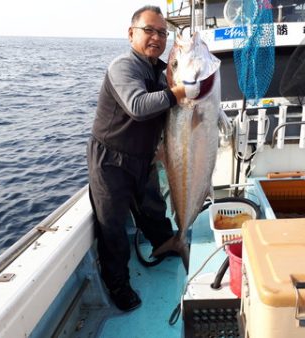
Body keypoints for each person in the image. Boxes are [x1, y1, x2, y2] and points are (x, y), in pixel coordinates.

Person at [87, 5, 186, 312]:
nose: (157, 37)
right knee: (113, 227)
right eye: (149, 30)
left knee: (154, 210)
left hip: (143, 157)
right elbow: (138, 106)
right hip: (110, 160)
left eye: (162, 32)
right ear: (131, 34)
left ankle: (164, 243)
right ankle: (119, 285)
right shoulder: (123, 66)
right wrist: (182, 91)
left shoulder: (160, 71)